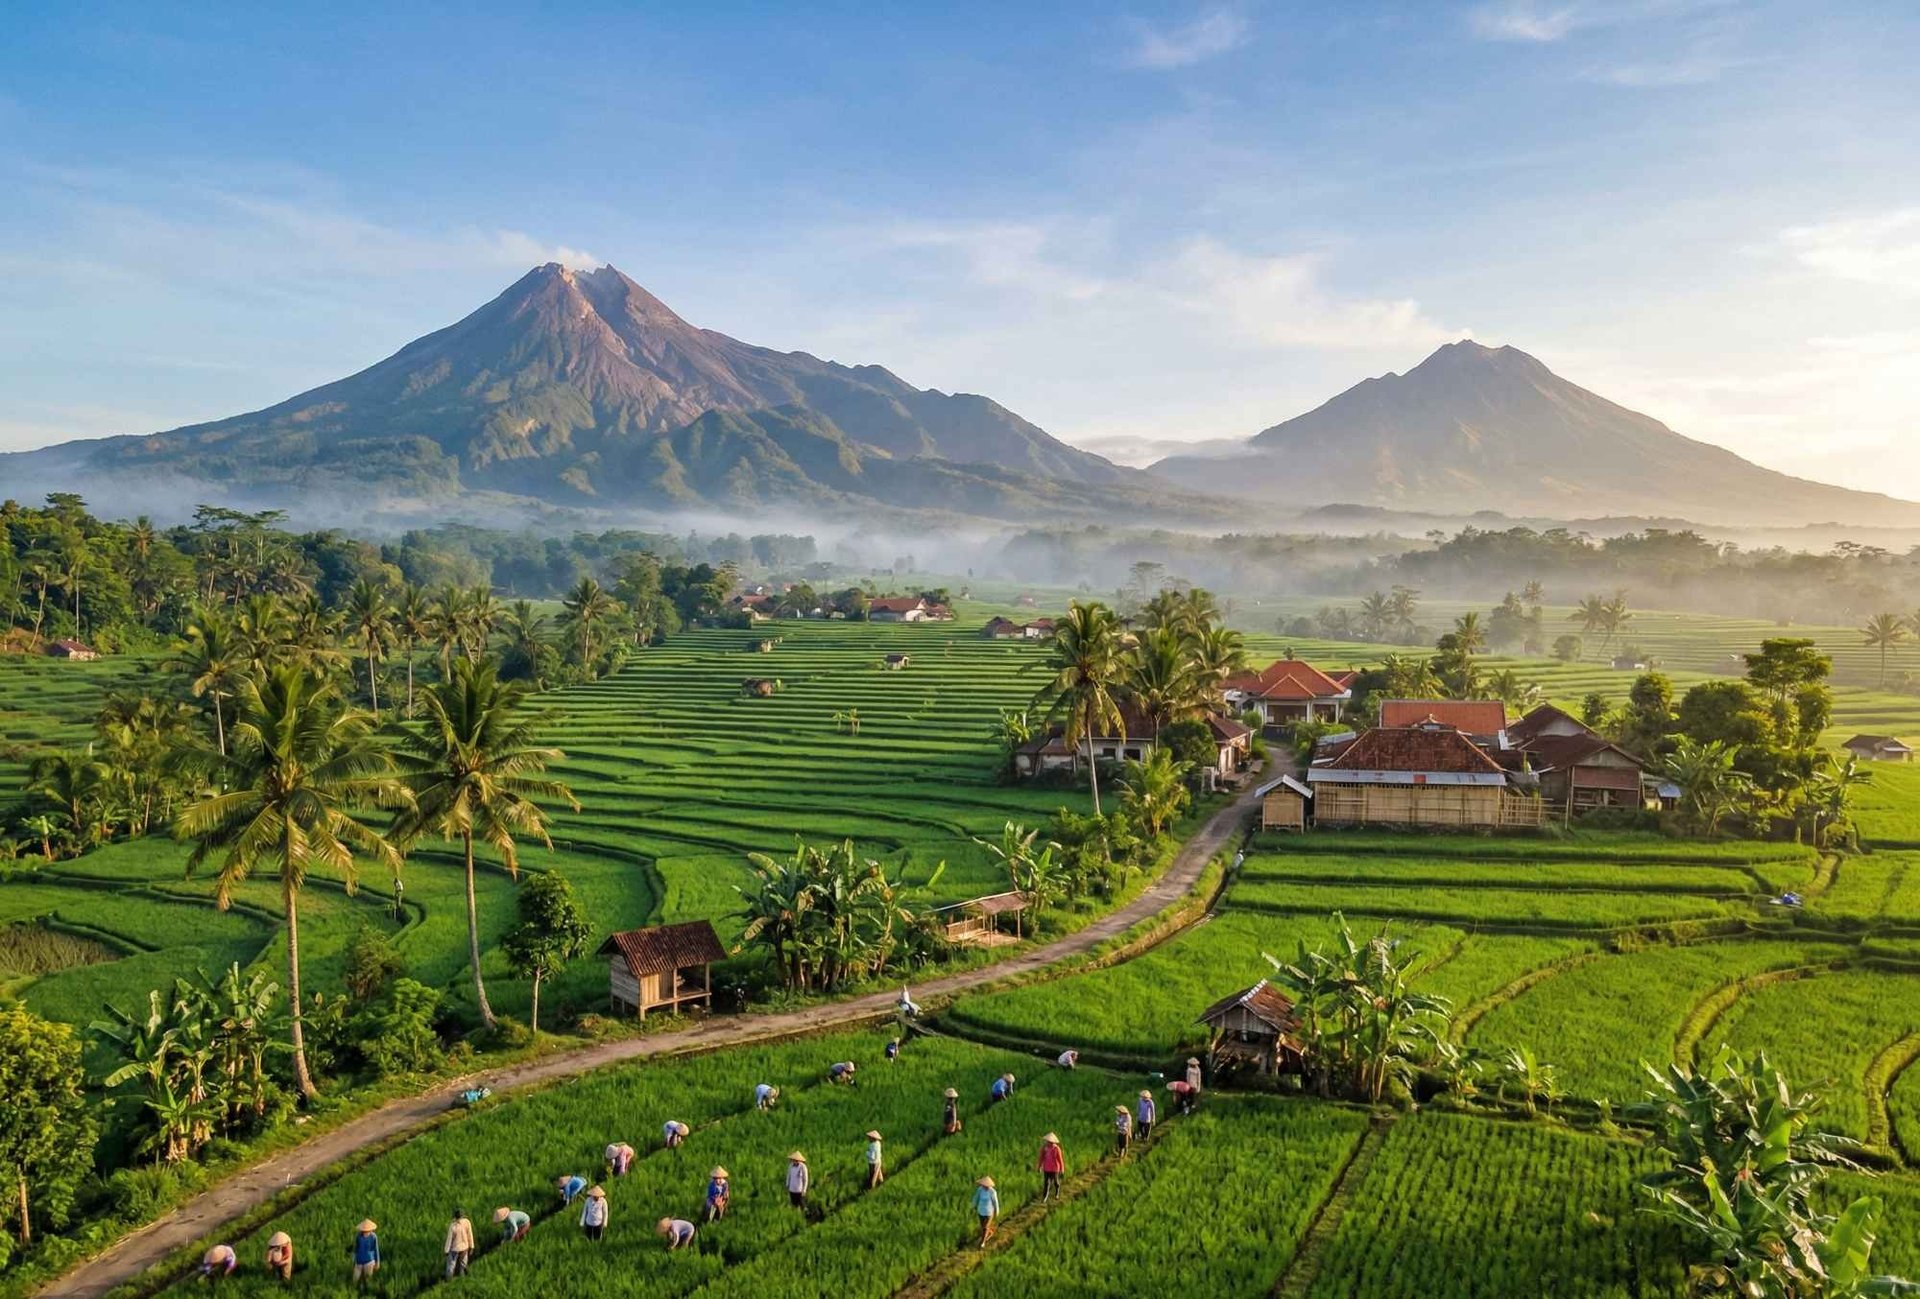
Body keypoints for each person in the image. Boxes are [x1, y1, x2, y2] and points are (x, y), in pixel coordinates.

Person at [443, 1210, 474, 1278]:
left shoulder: (453, 1226)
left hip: (455, 1249)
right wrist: (471, 1246)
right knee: (463, 1264)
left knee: (451, 1266)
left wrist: (446, 1251)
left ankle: (449, 1280)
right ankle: (462, 1278)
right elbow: (470, 1235)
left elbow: (449, 1239)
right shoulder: (467, 1222)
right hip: (465, 1248)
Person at [1037, 1133, 1065, 1202]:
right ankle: (1045, 1196)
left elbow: (1060, 1159)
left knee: (1055, 1181)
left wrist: (1062, 1169)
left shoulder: (1056, 1149)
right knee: (1046, 1183)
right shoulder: (1044, 1148)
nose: (1048, 1143)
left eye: (1050, 1142)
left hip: (1055, 1169)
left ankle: (1057, 1192)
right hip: (1046, 1168)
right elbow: (1041, 1158)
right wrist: (1039, 1167)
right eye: (1047, 1141)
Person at [351, 1220, 380, 1287]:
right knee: (355, 1278)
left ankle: (366, 1292)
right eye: (364, 1231)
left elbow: (376, 1249)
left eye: (368, 1231)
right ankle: (354, 1289)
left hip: (369, 1262)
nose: (366, 1233)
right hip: (359, 1262)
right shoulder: (358, 1237)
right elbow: (355, 1249)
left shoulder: (373, 1237)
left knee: (368, 1279)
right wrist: (353, 1259)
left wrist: (377, 1262)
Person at [973, 1176, 1000, 1245]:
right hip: (981, 1211)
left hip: (989, 1212)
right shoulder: (980, 1190)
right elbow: (976, 1197)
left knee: (985, 1227)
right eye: (984, 1185)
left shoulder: (992, 1192)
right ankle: (990, 1233)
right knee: (983, 1227)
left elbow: (995, 1202)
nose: (985, 1187)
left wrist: (996, 1211)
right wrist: (973, 1205)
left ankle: (983, 1242)